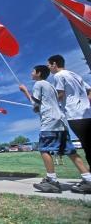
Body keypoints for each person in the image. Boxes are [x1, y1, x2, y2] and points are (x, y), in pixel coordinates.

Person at [19, 65, 91, 194]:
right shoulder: (50, 85)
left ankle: (51, 181)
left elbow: (35, 104)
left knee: (44, 149)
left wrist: (25, 91)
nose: (31, 73)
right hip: (61, 121)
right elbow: (42, 105)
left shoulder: (38, 84)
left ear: (38, 73)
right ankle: (88, 179)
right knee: (70, 151)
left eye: (33, 71)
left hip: (49, 122)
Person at [47, 54, 91, 172]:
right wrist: (86, 103)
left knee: (87, 145)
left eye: (49, 65)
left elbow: (60, 95)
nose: (49, 68)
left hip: (75, 115)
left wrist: (50, 106)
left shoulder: (58, 75)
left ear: (54, 64)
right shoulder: (74, 74)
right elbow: (89, 90)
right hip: (87, 113)